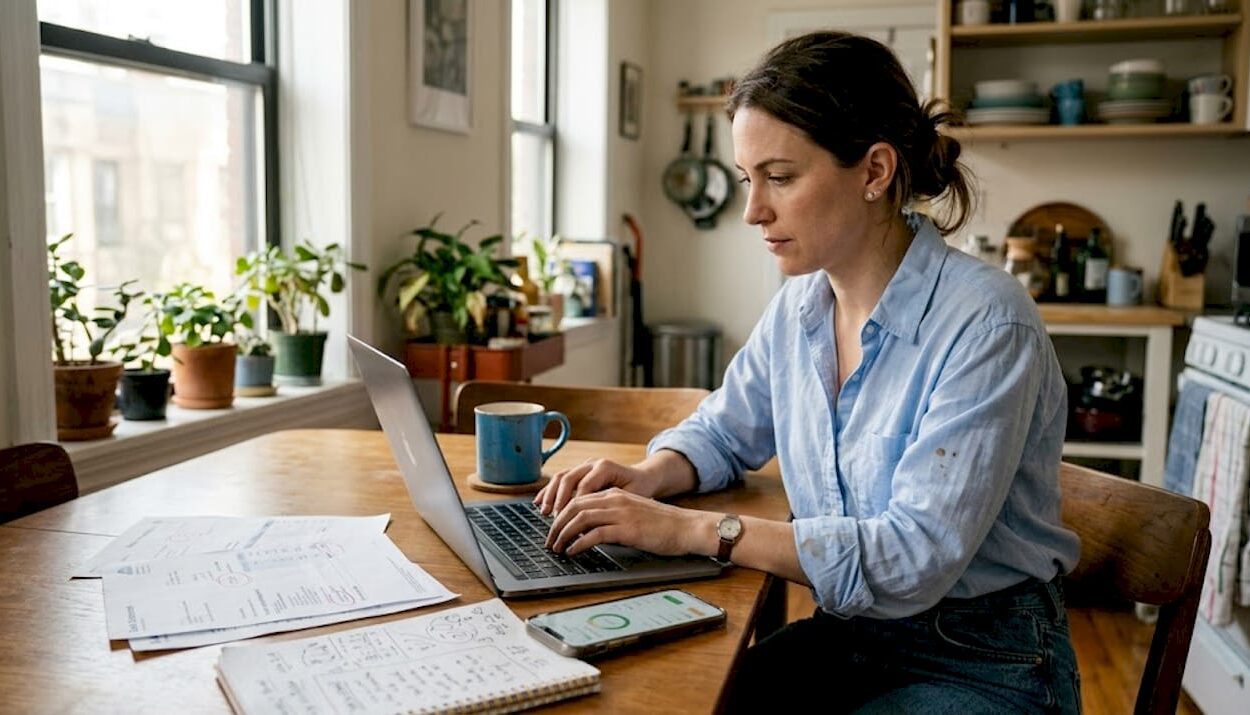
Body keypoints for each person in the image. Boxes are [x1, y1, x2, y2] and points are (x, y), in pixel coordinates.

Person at [535, 30, 1082, 713]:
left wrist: (691, 530)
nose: (752, 210)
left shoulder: (987, 323)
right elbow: (728, 429)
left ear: (874, 172)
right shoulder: (801, 303)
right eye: (746, 178)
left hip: (983, 661)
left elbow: (913, 556)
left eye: (780, 177)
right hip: (850, 636)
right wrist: (652, 473)